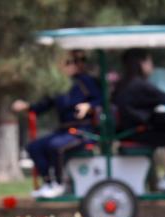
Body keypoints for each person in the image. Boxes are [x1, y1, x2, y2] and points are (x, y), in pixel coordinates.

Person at [13, 50, 102, 198]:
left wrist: (89, 106)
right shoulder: (59, 85)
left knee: (56, 146)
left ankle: (60, 184)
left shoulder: (86, 82)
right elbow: (44, 105)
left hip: (83, 131)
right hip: (64, 131)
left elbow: (102, 99)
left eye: (70, 62)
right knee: (34, 147)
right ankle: (49, 183)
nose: (66, 66)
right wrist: (27, 107)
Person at [113, 48, 165, 195]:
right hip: (136, 133)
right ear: (141, 63)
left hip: (127, 131)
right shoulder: (139, 85)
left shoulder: (123, 84)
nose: (151, 66)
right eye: (149, 62)